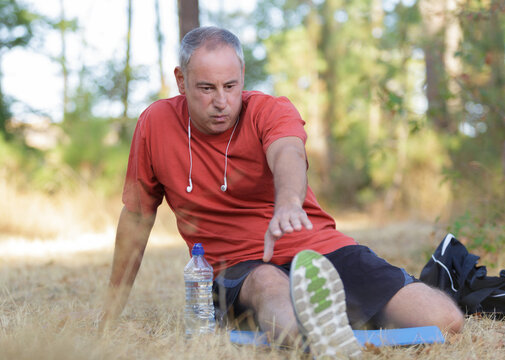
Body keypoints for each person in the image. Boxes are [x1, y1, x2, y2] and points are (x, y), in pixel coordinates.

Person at [101, 26, 464, 357]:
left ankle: (333, 322)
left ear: (242, 77)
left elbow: (287, 151)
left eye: (231, 86)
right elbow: (137, 217)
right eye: (206, 88)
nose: (222, 102)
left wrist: (288, 203)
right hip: (239, 267)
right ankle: (323, 332)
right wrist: (111, 312)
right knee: (274, 294)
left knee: (445, 321)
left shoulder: (269, 110)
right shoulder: (155, 124)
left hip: (317, 249)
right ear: (181, 81)